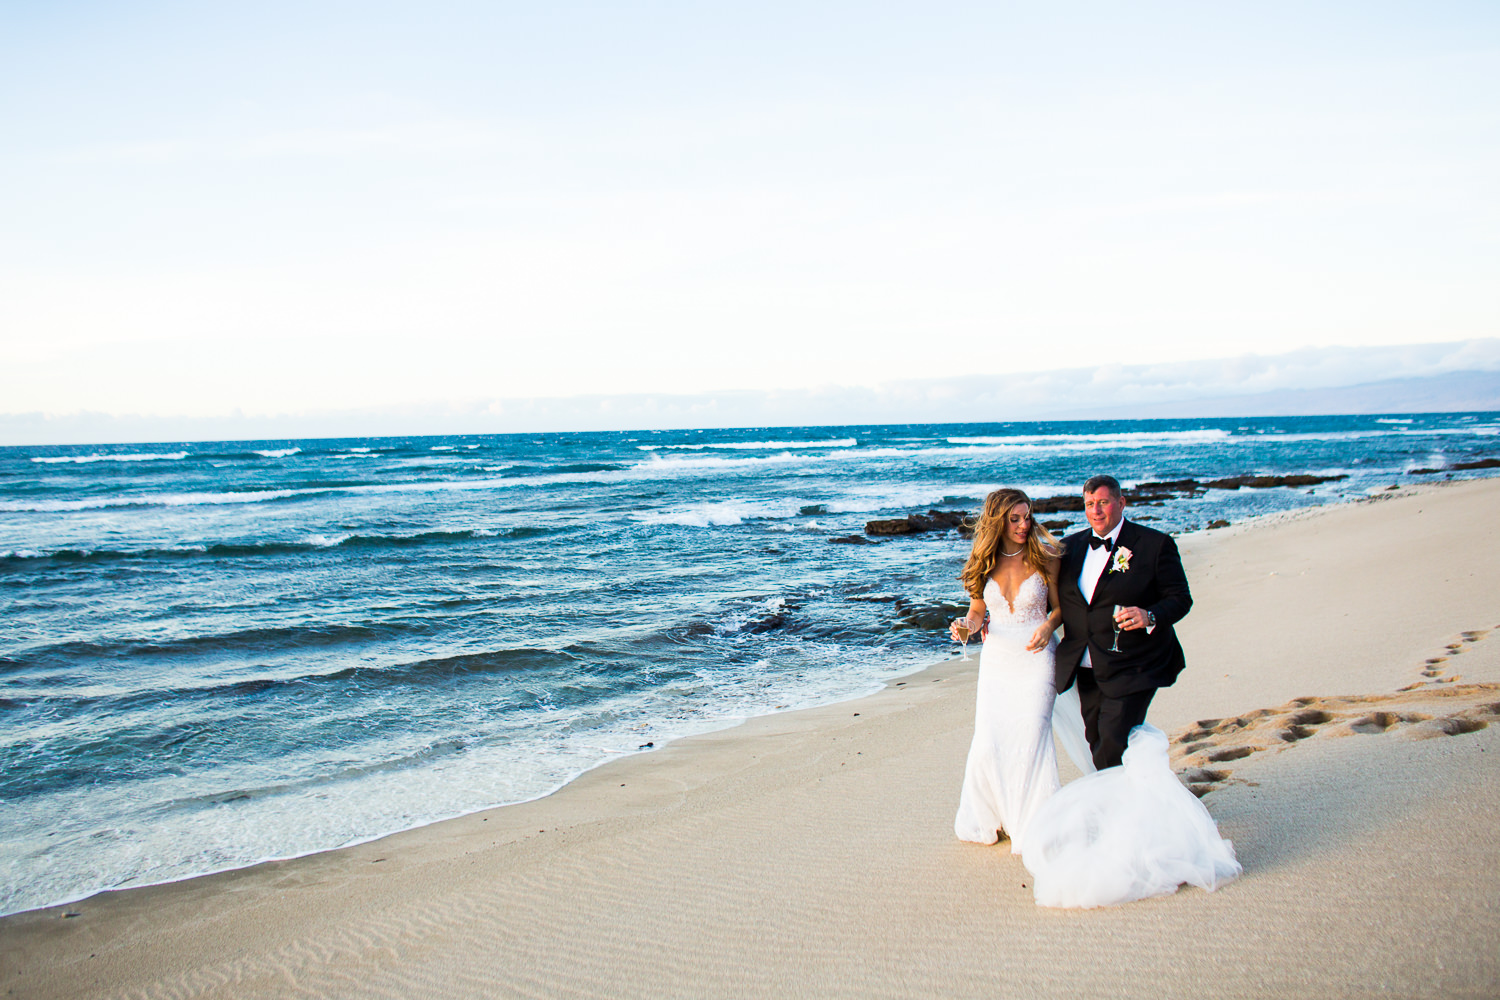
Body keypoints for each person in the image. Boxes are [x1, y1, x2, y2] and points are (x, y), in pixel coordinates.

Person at [947, 488, 1064, 852]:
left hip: (1037, 657)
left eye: (1027, 516)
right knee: (989, 740)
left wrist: (1048, 627)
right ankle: (997, 815)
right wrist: (965, 625)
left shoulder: (1046, 557)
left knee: (1032, 734)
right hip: (997, 660)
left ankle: (1033, 823)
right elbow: (979, 611)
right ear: (998, 520)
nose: (1024, 524)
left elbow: (1060, 610)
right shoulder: (984, 562)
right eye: (1015, 518)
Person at [1054, 474, 1193, 771]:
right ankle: (1137, 800)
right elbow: (1049, 599)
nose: (1096, 510)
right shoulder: (1069, 548)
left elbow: (1181, 598)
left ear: (1121, 503)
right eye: (1089, 503)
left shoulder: (1155, 545)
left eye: (1103, 502)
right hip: (1087, 665)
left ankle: (1116, 814)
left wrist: (1149, 615)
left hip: (1136, 663)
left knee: (1113, 741)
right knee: (1095, 740)